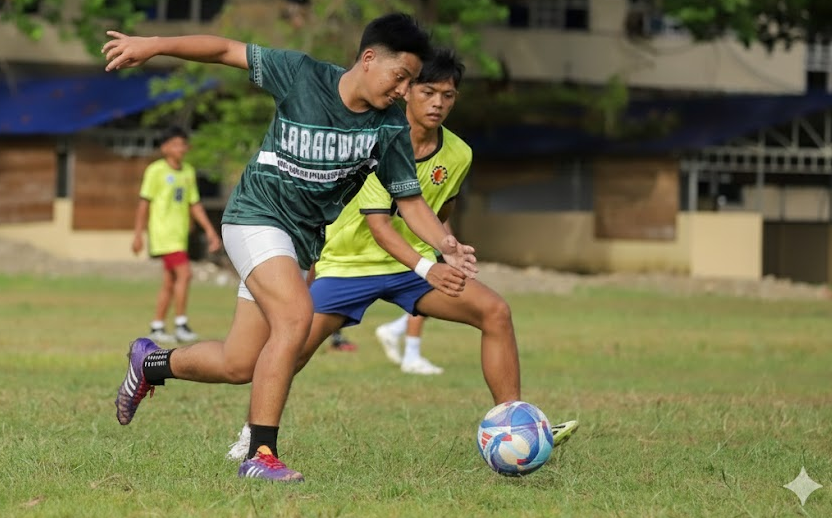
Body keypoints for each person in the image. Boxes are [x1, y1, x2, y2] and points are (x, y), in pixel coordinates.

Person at [103, 13, 479, 483]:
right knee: (296, 318)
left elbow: (410, 202)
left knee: (239, 363)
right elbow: (225, 50)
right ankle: (260, 455)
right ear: (368, 60)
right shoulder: (302, 75)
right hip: (255, 217)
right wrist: (155, 45)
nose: (403, 90)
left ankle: (151, 362)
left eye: (410, 81)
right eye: (400, 77)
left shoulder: (388, 130)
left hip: (298, 242)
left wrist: (446, 243)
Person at [225, 47, 578, 460]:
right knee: (293, 345)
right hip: (348, 267)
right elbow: (379, 226)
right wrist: (430, 265)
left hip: (411, 269)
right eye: (428, 92)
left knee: (495, 312)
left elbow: (438, 212)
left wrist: (451, 251)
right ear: (407, 90)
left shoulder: (459, 154)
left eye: (448, 95)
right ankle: (253, 434)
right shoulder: (378, 135)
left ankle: (514, 424)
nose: (438, 103)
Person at [132, 126, 222, 344]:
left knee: (170, 282)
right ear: (165, 148)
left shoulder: (188, 172)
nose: (181, 148)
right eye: (175, 143)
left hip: (179, 236)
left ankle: (157, 327)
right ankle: (181, 325)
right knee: (185, 275)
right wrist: (138, 234)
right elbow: (144, 204)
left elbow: (195, 204)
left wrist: (210, 231)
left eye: (183, 143)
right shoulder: (156, 171)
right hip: (164, 235)